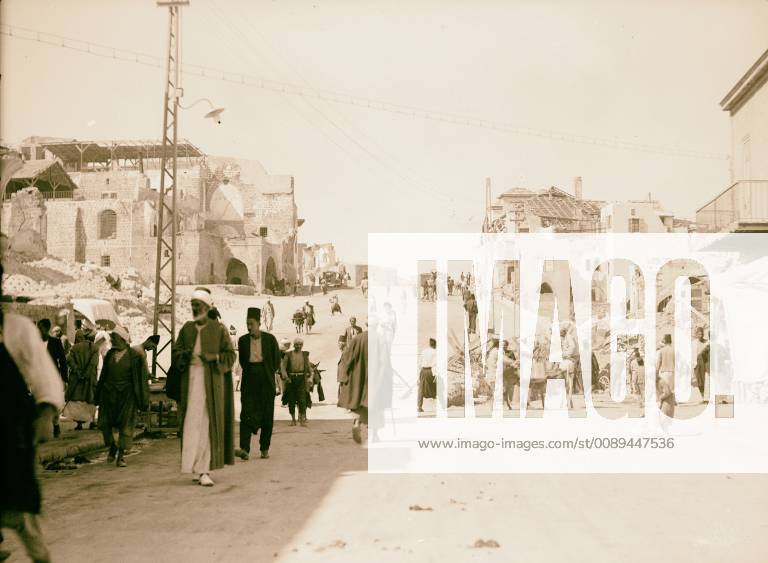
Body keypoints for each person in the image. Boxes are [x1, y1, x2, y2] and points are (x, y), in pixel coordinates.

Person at [0, 263, 65, 563]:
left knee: (21, 514)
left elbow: (45, 376)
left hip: (10, 433)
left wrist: (45, 414)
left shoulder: (16, 329)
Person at [173, 287, 236, 487]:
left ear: (207, 307)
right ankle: (194, 467)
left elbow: (230, 356)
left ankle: (204, 470)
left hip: (211, 384)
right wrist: (185, 356)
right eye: (192, 306)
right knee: (191, 425)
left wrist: (214, 357)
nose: (194, 309)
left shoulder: (219, 330)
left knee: (206, 425)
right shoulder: (187, 329)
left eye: (198, 306)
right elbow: (176, 353)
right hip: (189, 382)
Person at [94, 325, 148, 468]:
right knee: (104, 423)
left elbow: (142, 379)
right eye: (112, 338)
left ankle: (121, 456)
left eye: (115, 338)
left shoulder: (135, 357)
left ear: (123, 339)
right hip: (108, 393)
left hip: (127, 395)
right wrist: (97, 394)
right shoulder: (110, 355)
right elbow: (103, 375)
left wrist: (143, 400)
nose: (112, 341)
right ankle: (112, 445)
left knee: (126, 425)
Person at [235, 308, 281, 461]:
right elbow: (242, 361)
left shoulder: (270, 339)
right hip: (249, 381)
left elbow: (276, 360)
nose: (249, 327)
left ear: (259, 323)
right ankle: (244, 449)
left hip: (266, 380)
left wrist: (266, 371)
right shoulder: (242, 341)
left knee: (267, 414)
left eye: (251, 324)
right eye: (247, 324)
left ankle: (264, 448)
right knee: (246, 413)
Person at [64, 329, 107, 431]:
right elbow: (93, 363)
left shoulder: (74, 348)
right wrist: (86, 374)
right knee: (90, 400)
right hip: (89, 379)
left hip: (76, 379)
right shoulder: (95, 348)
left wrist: (78, 372)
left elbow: (69, 360)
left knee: (78, 401)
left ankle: (79, 424)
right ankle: (92, 422)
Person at [37, 318, 68, 438]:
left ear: (46, 329)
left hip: (52, 377)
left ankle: (56, 424)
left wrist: (65, 379)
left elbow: (63, 361)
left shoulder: (55, 342)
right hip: (39, 378)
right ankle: (41, 429)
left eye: (40, 328)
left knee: (54, 403)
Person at [338, 327, 368, 444]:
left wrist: (345, 376)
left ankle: (357, 423)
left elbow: (347, 358)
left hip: (358, 377)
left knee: (359, 401)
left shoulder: (357, 339)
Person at [280, 337, 312, 426]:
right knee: (291, 400)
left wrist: (310, 377)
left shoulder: (305, 355)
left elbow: (309, 368)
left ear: (302, 345)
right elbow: (283, 367)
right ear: (294, 345)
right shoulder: (288, 355)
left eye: (300, 344)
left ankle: (301, 420)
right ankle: (293, 420)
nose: (298, 346)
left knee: (302, 399)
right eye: (297, 344)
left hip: (302, 379)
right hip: (291, 379)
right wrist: (286, 378)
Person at [656, 334, 676, 422]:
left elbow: (658, 364)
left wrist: (656, 375)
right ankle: (669, 415)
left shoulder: (661, 351)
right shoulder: (674, 350)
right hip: (672, 373)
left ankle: (661, 411)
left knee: (664, 394)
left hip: (663, 373)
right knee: (670, 395)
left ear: (664, 341)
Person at [417, 338, 437, 413]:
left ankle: (419, 407)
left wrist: (419, 374)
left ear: (430, 344)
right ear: (435, 345)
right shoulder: (435, 352)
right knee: (437, 386)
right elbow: (435, 364)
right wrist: (435, 375)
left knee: (421, 389)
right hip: (430, 371)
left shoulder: (424, 351)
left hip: (423, 371)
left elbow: (419, 363)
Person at [692, 327, 709, 403]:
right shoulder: (694, 343)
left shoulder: (707, 342)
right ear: (696, 334)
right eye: (699, 333)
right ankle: (703, 398)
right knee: (699, 382)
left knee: (706, 380)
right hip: (697, 363)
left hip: (705, 364)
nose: (700, 335)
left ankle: (706, 398)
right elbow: (692, 354)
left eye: (701, 333)